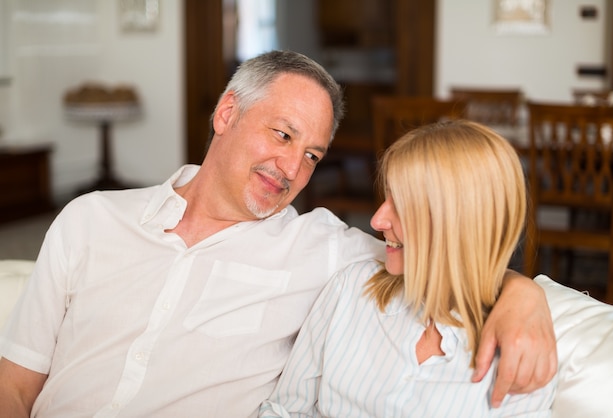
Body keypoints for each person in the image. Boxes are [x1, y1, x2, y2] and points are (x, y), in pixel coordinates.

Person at [0, 51, 555, 417]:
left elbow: (443, 246)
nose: (291, 167)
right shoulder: (90, 219)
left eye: (311, 153)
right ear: (226, 113)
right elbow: (17, 384)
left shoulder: (324, 252)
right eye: (282, 134)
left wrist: (522, 295)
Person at [259, 120, 557, 417]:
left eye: (401, 204)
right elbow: (285, 410)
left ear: (458, 223)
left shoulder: (522, 351)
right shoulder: (350, 289)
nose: (377, 220)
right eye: (386, 197)